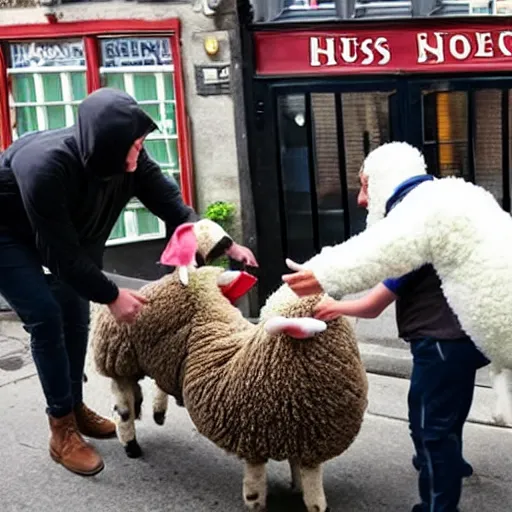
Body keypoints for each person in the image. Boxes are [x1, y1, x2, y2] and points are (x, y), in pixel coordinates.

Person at [0, 87, 257, 477]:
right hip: (8, 234)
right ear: (105, 144)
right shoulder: (46, 166)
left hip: (70, 232)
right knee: (46, 316)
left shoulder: (127, 155)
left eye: (140, 143)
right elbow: (60, 255)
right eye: (134, 145)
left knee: (75, 312)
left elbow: (172, 204)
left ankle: (75, 405)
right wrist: (111, 295)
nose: (140, 151)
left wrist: (223, 242)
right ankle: (62, 429)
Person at [283, 167, 489, 512]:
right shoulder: (449, 221)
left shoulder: (412, 236)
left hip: (438, 343)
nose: (362, 198)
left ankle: (438, 499)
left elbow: (373, 305)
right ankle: (451, 462)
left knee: (430, 427)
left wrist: (334, 305)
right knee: (450, 409)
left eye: (366, 187)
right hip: (467, 337)